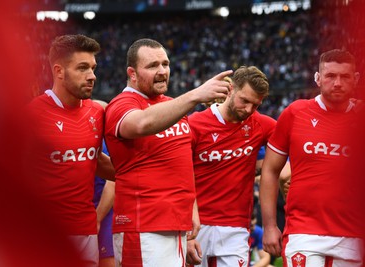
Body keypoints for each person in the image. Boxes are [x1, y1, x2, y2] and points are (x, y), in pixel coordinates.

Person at [104, 38, 233, 267]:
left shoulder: (172, 106)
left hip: (177, 228)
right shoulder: (121, 104)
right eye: (153, 65)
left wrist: (190, 215)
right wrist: (195, 95)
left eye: (165, 64)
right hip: (143, 227)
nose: (162, 71)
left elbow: (182, 163)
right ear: (132, 73)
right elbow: (141, 124)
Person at [260, 49, 364, 266]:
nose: (337, 83)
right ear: (318, 78)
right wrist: (269, 226)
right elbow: (270, 170)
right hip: (303, 232)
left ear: (355, 79)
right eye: (330, 76)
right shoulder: (295, 113)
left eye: (344, 76)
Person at [25, 34, 114, 267]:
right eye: (82, 68)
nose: (92, 76)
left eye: (93, 68)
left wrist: (142, 174)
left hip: (86, 233)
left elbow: (93, 161)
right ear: (59, 71)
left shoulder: (97, 112)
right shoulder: (32, 116)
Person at [186, 66, 276, 267]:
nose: (248, 110)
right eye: (244, 100)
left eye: (256, 105)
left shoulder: (261, 125)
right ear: (230, 90)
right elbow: (181, 176)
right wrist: (188, 230)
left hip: (236, 228)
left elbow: (291, 151)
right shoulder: (195, 124)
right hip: (196, 225)